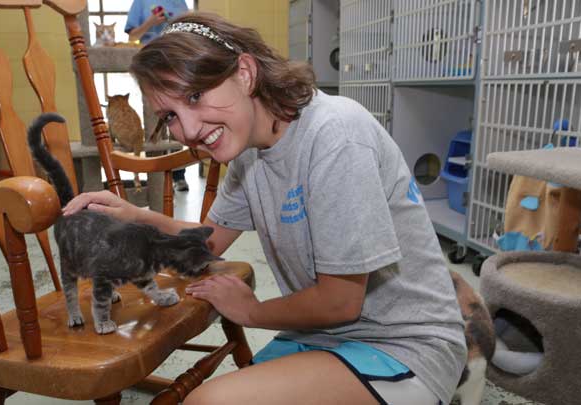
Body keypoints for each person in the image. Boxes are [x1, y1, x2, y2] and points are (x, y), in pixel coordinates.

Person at [65, 12, 467, 405]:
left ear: (244, 73)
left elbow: (340, 301)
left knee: (210, 401)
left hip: (405, 346)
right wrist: (135, 216)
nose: (187, 131)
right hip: (326, 338)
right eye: (170, 115)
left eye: (195, 95)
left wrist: (253, 312)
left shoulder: (335, 135)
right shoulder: (248, 154)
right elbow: (207, 247)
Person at [125, 0, 190, 191]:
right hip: (151, 66)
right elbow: (132, 37)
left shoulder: (180, 3)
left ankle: (178, 176)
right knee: (156, 121)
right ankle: (156, 177)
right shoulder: (141, 2)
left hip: (177, 64)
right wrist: (151, 23)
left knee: (179, 120)